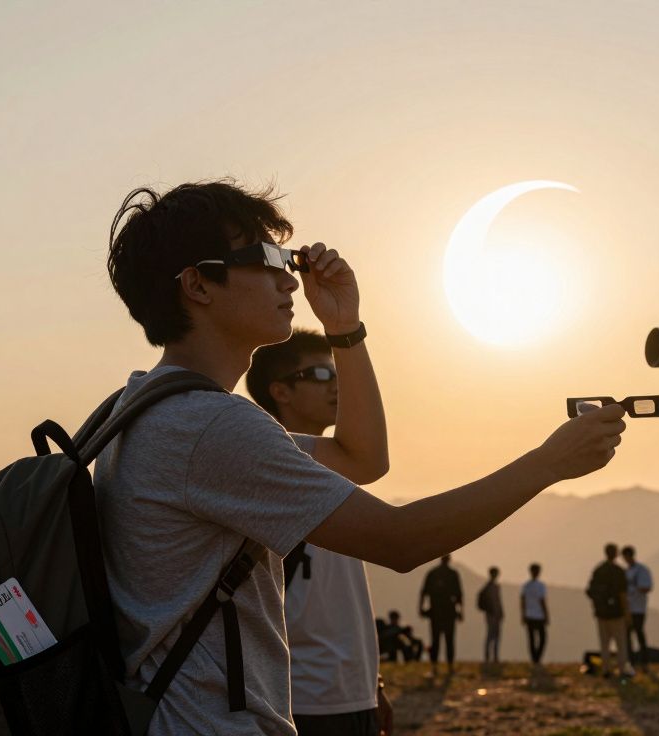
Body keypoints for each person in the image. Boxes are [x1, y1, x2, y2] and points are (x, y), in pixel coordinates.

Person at [98, 180, 627, 733]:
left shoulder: (149, 406)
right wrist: (548, 463)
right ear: (197, 285)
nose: (289, 279)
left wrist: (345, 328)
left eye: (288, 259)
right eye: (266, 258)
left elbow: (362, 457)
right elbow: (399, 541)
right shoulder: (209, 426)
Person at [246, 330, 390, 735]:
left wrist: (371, 684)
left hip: (350, 693)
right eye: (320, 374)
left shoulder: (334, 469)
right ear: (281, 391)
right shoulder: (266, 473)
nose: (337, 384)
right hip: (298, 699)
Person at [586, 543, 633, 679]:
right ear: (616, 554)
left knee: (604, 643)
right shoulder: (619, 571)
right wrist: (627, 613)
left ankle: (606, 669)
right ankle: (622, 669)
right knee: (621, 643)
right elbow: (623, 594)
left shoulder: (599, 570)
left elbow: (590, 591)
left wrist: (597, 606)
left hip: (602, 613)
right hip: (617, 613)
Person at [420, 554, 463, 676]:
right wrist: (460, 611)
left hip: (438, 611)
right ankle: (447, 667)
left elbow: (423, 593)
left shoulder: (434, 573)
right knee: (447, 639)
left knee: (437, 639)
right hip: (446, 611)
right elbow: (459, 595)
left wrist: (421, 608)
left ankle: (437, 667)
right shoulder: (451, 574)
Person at [621, 545, 653, 673]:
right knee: (626, 636)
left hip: (638, 608)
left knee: (639, 634)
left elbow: (647, 587)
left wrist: (634, 589)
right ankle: (631, 661)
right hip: (627, 608)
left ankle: (644, 661)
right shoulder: (626, 571)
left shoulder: (642, 570)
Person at [521, 563, 549, 665]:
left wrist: (523, 614)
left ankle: (535, 658)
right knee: (541, 638)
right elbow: (542, 601)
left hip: (529, 615)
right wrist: (546, 615)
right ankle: (537, 658)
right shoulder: (540, 586)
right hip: (538, 616)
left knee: (532, 638)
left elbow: (522, 601)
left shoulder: (526, 586)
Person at [478, 566, 504, 664]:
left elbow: (498, 601)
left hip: (495, 614)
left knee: (495, 635)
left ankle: (494, 656)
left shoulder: (493, 587)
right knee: (491, 635)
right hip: (491, 614)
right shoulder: (489, 587)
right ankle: (489, 656)